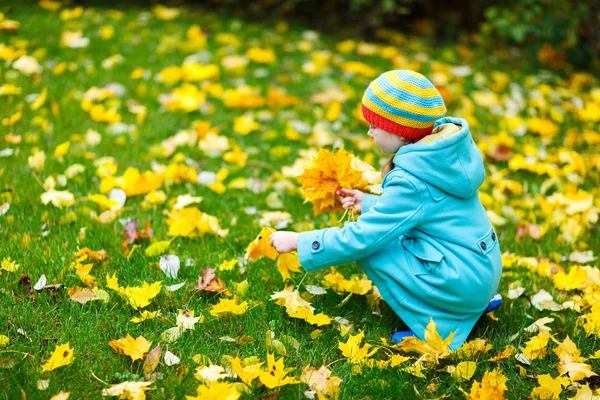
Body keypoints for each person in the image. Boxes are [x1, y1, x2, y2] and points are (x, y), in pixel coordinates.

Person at [270, 70, 502, 350]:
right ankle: (467, 304)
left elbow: (362, 238)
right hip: (480, 270)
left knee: (374, 249)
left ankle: (441, 327)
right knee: (392, 237)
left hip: (463, 282)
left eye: (374, 126)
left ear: (400, 133)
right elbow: (426, 211)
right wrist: (366, 203)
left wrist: (300, 241)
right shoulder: (441, 157)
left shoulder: (411, 180)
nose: (369, 132)